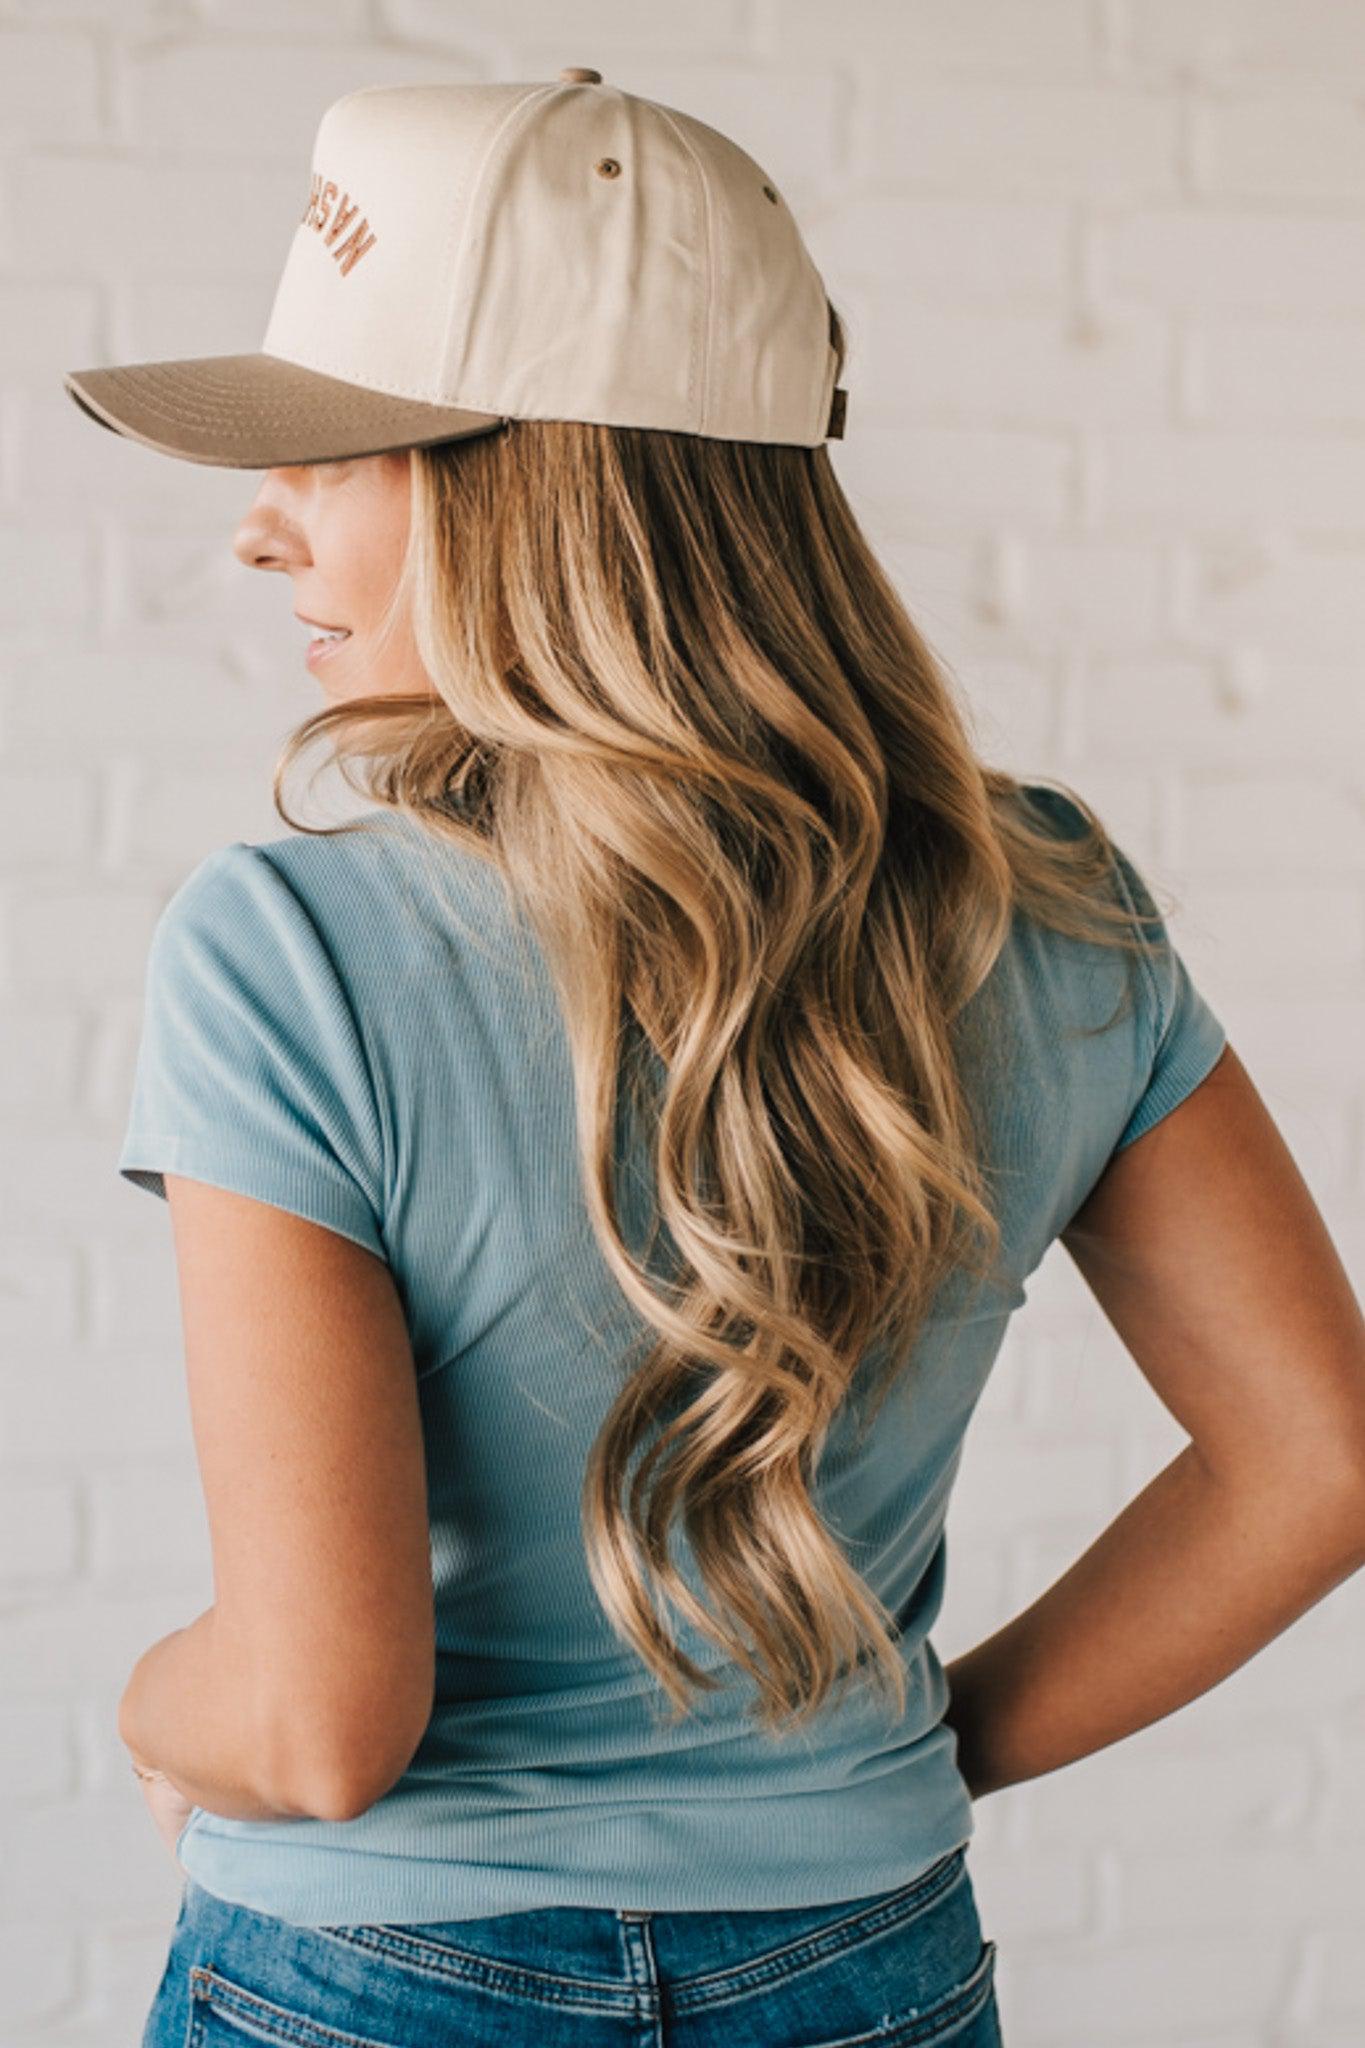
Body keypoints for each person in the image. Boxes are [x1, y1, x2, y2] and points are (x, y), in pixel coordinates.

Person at [65, 70, 1365, 2048]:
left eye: (327, 454)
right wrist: (893, 1758)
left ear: (527, 483)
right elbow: (1316, 1458)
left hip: (372, 1980)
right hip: (866, 1963)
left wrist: (153, 1707)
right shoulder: (1049, 907)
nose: (260, 530)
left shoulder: (288, 952)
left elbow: (318, 1727)